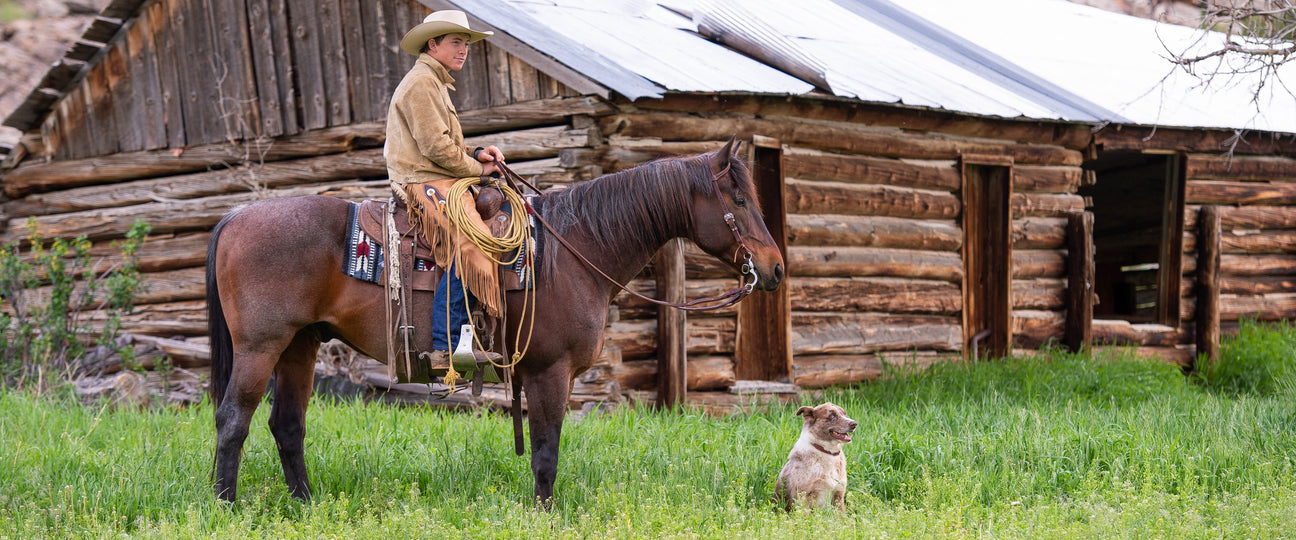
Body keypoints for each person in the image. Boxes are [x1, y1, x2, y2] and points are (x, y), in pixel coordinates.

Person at [385, 10, 505, 366]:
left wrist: (478, 153)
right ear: (433, 44)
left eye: (466, 43)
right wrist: (480, 172)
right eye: (456, 42)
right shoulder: (421, 83)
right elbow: (436, 149)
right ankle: (446, 347)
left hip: (439, 176)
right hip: (421, 181)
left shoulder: (434, 81)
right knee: (473, 244)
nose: (463, 50)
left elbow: (444, 141)